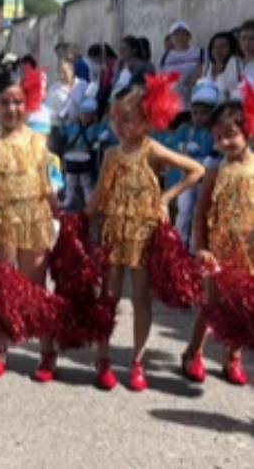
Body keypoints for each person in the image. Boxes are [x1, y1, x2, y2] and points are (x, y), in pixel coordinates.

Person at [86, 79, 204, 391]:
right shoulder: (111, 154)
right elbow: (99, 195)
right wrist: (82, 221)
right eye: (117, 119)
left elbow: (196, 170)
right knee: (108, 298)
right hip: (115, 232)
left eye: (130, 120)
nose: (122, 126)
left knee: (140, 299)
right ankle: (103, 358)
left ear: (148, 119)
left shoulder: (152, 149)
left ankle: (137, 361)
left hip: (143, 234)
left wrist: (167, 198)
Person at [0, 65, 59, 381]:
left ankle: (47, 351)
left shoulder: (39, 142)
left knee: (37, 289)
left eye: (18, 102)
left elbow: (47, 188)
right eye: (4, 102)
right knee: (1, 290)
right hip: (1, 227)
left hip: (34, 225)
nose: (11, 109)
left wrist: (62, 219)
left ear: (28, 103)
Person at [182, 97, 253, 386]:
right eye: (217, 137)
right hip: (217, 254)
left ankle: (231, 357)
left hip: (249, 254)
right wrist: (201, 247)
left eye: (230, 135)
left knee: (243, 306)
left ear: (248, 130)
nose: (223, 142)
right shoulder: (214, 171)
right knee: (212, 306)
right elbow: (200, 214)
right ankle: (192, 353)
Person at [166, 84, 218, 248]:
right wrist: (182, 146)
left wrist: (208, 155)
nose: (199, 117)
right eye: (196, 113)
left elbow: (217, 151)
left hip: (205, 175)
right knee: (184, 208)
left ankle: (196, 246)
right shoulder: (186, 130)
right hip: (187, 175)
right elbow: (173, 145)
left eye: (204, 113)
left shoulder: (215, 131)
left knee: (199, 209)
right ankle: (179, 243)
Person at [61, 97, 100, 210]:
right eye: (83, 114)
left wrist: (97, 143)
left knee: (86, 181)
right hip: (72, 156)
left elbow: (98, 137)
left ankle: (89, 200)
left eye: (88, 115)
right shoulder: (73, 126)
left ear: (93, 116)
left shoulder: (95, 128)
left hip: (85, 158)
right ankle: (69, 199)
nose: (85, 117)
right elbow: (63, 134)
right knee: (70, 180)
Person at [160, 21, 204, 109]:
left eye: (184, 34)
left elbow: (206, 70)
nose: (180, 37)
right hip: (172, 102)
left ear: (189, 36)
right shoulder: (166, 56)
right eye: (176, 34)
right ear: (171, 38)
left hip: (195, 99)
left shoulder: (200, 53)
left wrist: (198, 76)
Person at [202, 31, 242, 99]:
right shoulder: (207, 67)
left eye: (223, 46)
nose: (218, 50)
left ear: (231, 48)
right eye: (214, 47)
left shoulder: (238, 65)